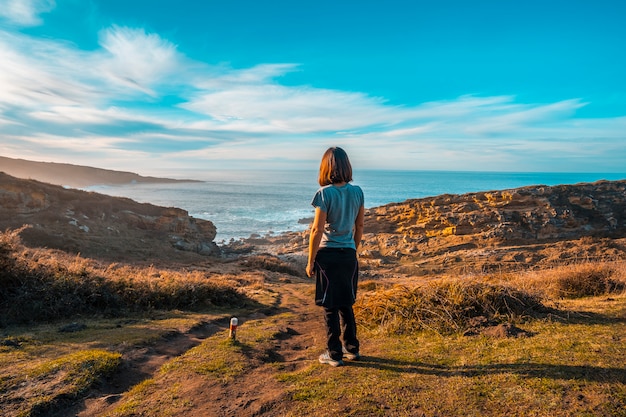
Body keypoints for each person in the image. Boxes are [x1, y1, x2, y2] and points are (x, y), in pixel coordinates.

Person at [306, 147, 365, 367]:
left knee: (330, 305)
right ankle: (352, 348)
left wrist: (311, 260)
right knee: (346, 303)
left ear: (326, 167)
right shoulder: (358, 192)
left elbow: (316, 230)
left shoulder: (324, 194)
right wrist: (353, 249)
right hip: (349, 254)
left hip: (328, 255)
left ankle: (334, 354)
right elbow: (359, 226)